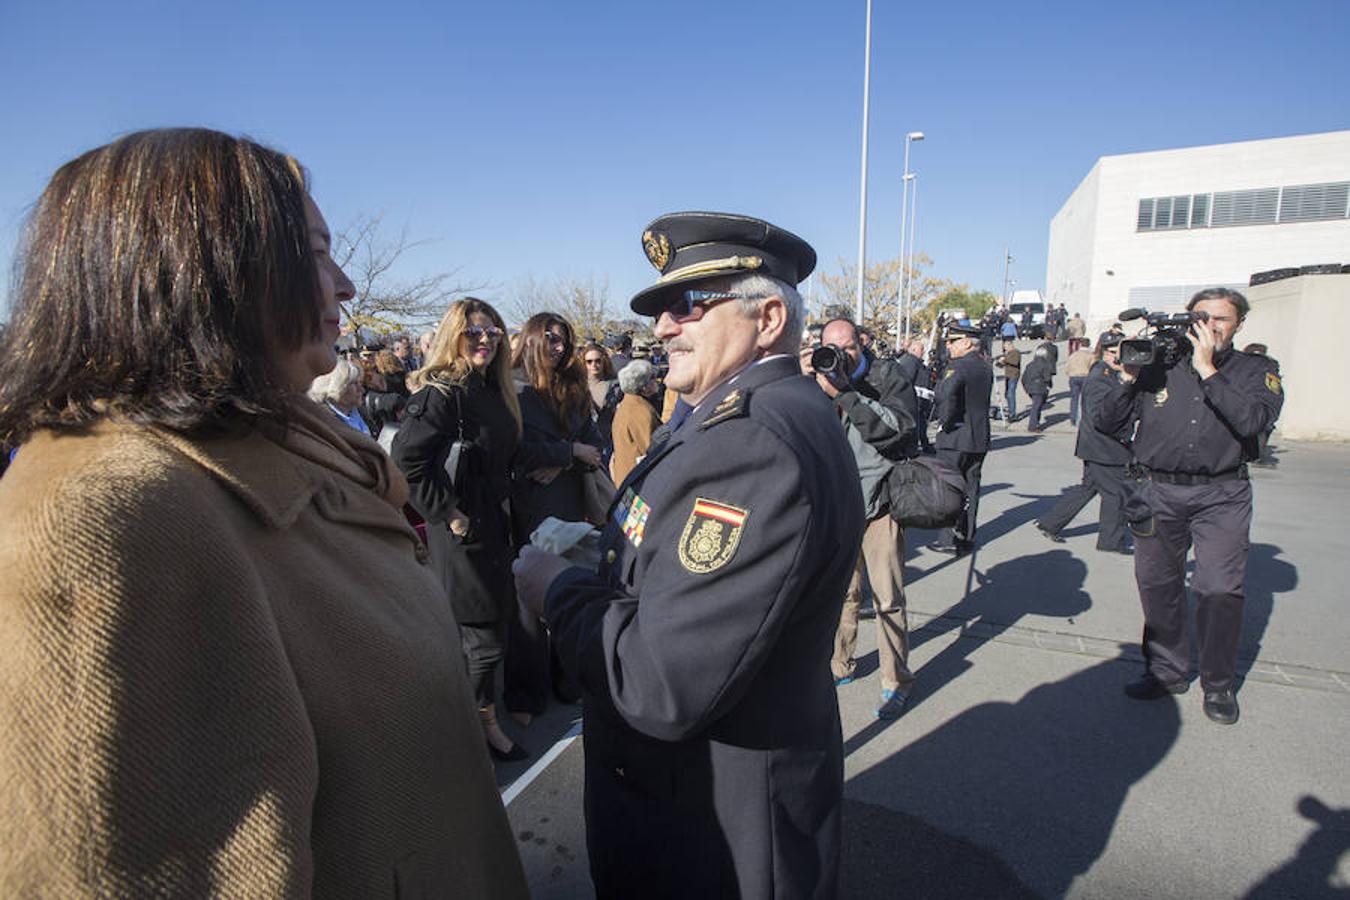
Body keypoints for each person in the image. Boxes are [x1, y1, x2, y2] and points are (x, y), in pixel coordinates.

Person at [0, 128, 526, 896]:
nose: (344, 285)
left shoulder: (285, 449)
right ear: (200, 266)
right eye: (315, 253)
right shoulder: (101, 521)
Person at [513, 211, 864, 898]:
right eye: (660, 310)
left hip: (708, 831)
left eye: (688, 305)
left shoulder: (752, 439)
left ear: (767, 318)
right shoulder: (740, 410)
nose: (664, 326)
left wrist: (557, 590)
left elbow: (659, 681)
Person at [1095, 288, 1283, 725]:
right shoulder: (1159, 367)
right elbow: (1108, 422)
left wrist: (1207, 370)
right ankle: (1166, 670)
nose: (1211, 326)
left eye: (1222, 319)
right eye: (1202, 317)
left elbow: (1254, 421)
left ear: (1239, 325)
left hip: (1222, 494)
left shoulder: (1257, 371)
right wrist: (1127, 377)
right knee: (1158, 584)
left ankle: (1218, 684)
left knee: (1219, 589)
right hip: (1159, 490)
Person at [392, 297, 528, 762]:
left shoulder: (493, 389)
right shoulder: (439, 393)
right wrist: (448, 513)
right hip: (464, 531)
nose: (486, 339)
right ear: (454, 336)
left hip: (497, 524)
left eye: (493, 331)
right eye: (475, 332)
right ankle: (473, 732)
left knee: (490, 633)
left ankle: (477, 721)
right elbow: (406, 463)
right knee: (483, 641)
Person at [812, 318, 918, 719]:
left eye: (848, 346)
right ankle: (840, 664)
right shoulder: (817, 378)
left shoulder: (888, 376)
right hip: (837, 507)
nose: (840, 354)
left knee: (888, 599)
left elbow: (897, 431)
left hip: (880, 507)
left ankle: (896, 682)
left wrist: (846, 392)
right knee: (843, 595)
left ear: (863, 343)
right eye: (831, 347)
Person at [505, 312, 606, 723]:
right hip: (525, 505)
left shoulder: (573, 388)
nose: (558, 345)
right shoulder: (510, 389)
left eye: (563, 339)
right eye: (549, 337)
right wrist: (566, 453)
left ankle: (568, 681)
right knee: (526, 604)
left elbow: (593, 447)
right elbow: (509, 452)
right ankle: (525, 695)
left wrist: (565, 460)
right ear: (529, 339)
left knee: (569, 588)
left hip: (566, 503)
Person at [1036, 333, 1133, 553]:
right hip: (1103, 446)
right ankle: (1111, 541)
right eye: (1116, 352)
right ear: (1107, 353)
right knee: (1115, 493)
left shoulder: (1109, 374)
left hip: (1099, 446)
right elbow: (1101, 416)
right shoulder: (1101, 376)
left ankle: (1051, 523)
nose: (1120, 358)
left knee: (1088, 487)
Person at [929, 323, 992, 555]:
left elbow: (945, 396)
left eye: (952, 342)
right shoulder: (985, 367)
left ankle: (947, 538)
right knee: (972, 488)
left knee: (948, 488)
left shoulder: (958, 367)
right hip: (978, 437)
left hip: (955, 437)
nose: (949, 346)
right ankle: (967, 536)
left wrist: (944, 421)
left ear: (966, 343)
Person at [608, 358, 662, 484]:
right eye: (652, 378)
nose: (656, 381)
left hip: (626, 476)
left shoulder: (628, 404)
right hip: (638, 480)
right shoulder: (639, 411)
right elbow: (650, 448)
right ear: (643, 386)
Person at [309, 358, 371, 435]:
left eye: (360, 383)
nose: (361, 389)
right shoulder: (323, 422)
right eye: (354, 383)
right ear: (337, 387)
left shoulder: (360, 412)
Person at [582, 340, 621, 456]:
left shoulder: (615, 385)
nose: (594, 365)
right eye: (589, 362)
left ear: (604, 361)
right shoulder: (577, 385)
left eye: (598, 361)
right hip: (585, 443)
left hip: (608, 440)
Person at [1022, 344, 1055, 432]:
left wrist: (1026, 387)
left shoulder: (1030, 365)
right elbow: (1047, 378)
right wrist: (1050, 385)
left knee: (1037, 405)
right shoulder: (1045, 365)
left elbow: (1024, 377)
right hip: (1040, 387)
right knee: (1036, 407)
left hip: (1030, 388)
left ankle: (1036, 423)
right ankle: (1032, 426)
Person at [1065, 336, 1095, 425]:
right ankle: (1085, 418)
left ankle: (1073, 419)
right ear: (1089, 345)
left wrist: (1070, 373)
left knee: (1074, 399)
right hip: (1085, 377)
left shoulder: (1073, 354)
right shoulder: (1091, 355)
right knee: (1086, 399)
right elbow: (1093, 368)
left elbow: (1067, 367)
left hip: (1073, 377)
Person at [994, 337, 1022, 422]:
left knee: (1010, 394)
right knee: (1007, 394)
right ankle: (1010, 411)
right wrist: (999, 362)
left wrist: (1005, 359)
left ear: (1010, 345)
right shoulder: (1007, 353)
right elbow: (1002, 364)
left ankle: (1012, 414)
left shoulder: (1016, 352)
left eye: (1005, 346)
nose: (1005, 348)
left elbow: (1015, 362)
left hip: (1014, 375)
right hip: (1008, 375)